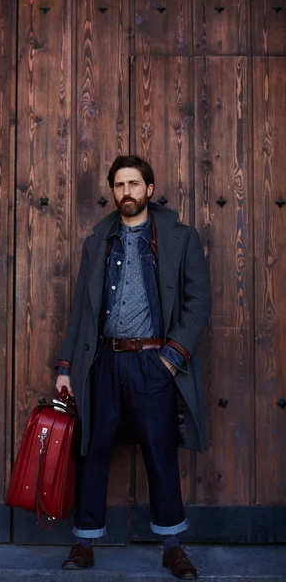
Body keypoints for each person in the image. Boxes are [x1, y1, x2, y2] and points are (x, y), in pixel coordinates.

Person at [55, 155, 212, 580]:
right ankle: (84, 542)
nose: (127, 191)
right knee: (92, 452)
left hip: (153, 364)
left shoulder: (180, 238)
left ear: (149, 188)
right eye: (120, 185)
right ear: (113, 191)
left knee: (160, 453)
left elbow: (198, 303)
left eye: (134, 184)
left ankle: (173, 547)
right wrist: (66, 367)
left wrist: (171, 358)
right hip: (102, 362)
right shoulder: (97, 241)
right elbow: (80, 312)